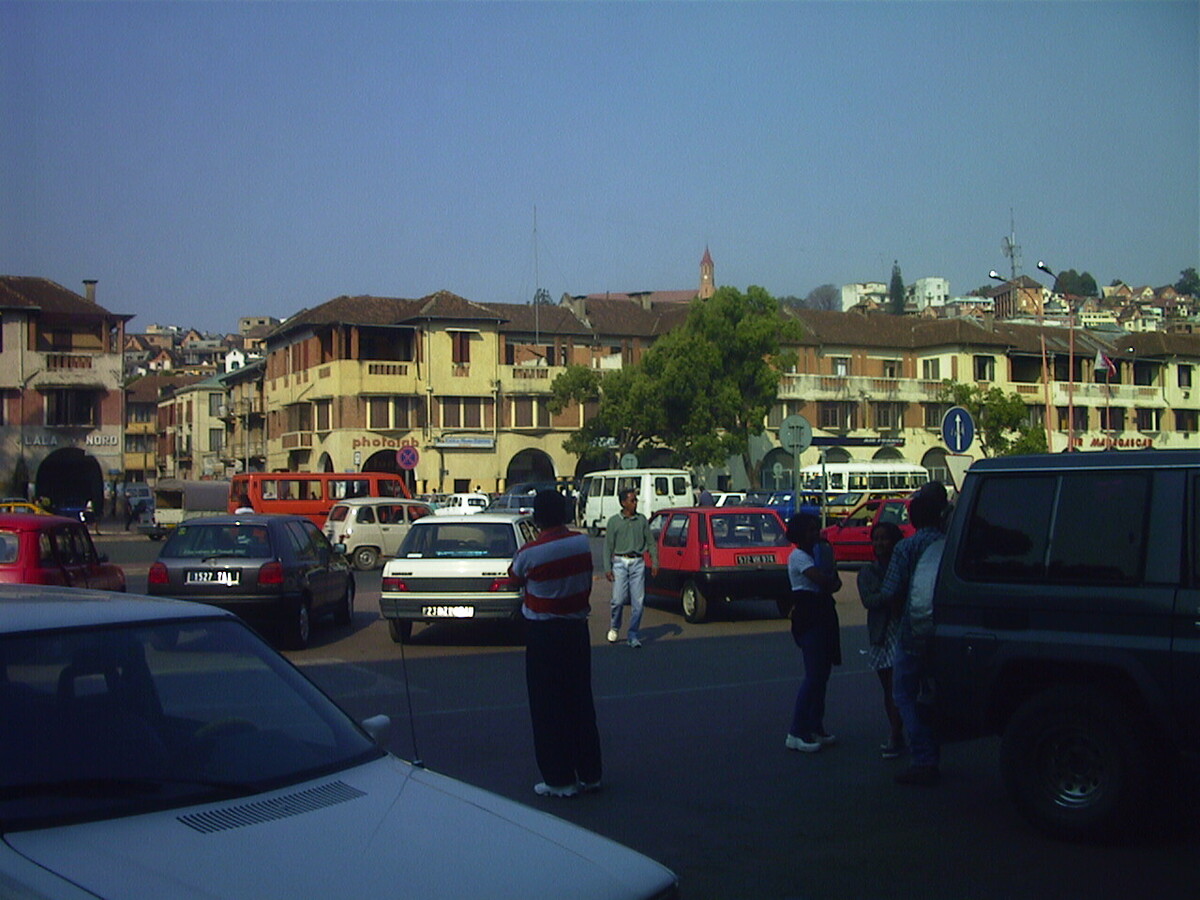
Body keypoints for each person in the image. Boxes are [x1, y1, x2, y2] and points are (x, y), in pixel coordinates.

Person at [508, 490, 602, 798]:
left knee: (548, 708)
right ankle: (590, 772)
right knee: (580, 702)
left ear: (537, 517)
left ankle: (559, 779)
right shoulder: (581, 542)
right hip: (577, 631)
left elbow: (514, 577)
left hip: (544, 635)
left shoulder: (530, 553)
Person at [881, 482, 949, 786]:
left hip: (912, 629)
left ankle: (923, 758)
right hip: (946, 629)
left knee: (904, 694)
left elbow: (891, 591)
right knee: (934, 693)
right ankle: (934, 749)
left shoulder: (906, 547)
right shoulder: (950, 544)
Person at [784, 512, 842, 753]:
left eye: (816, 529)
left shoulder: (819, 553)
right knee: (813, 676)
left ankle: (816, 726)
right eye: (809, 530)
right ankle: (796, 732)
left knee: (823, 676)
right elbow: (823, 580)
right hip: (809, 617)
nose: (815, 534)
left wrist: (830, 574)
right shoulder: (798, 557)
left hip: (825, 614)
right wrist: (829, 576)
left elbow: (836, 583)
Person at [858, 521, 905, 759]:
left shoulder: (904, 567)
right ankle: (896, 732)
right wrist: (890, 596)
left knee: (903, 687)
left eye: (884, 538)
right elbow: (870, 600)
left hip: (904, 631)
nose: (879, 543)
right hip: (881, 636)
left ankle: (900, 733)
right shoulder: (868, 572)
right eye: (876, 538)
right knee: (889, 689)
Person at [603, 488, 659, 648]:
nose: (635, 503)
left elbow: (650, 542)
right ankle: (615, 626)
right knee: (618, 600)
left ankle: (633, 634)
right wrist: (607, 567)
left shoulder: (641, 520)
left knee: (638, 602)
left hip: (637, 563)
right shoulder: (614, 521)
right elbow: (608, 546)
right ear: (623, 503)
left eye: (636, 500)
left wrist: (655, 561)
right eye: (632, 500)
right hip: (620, 562)